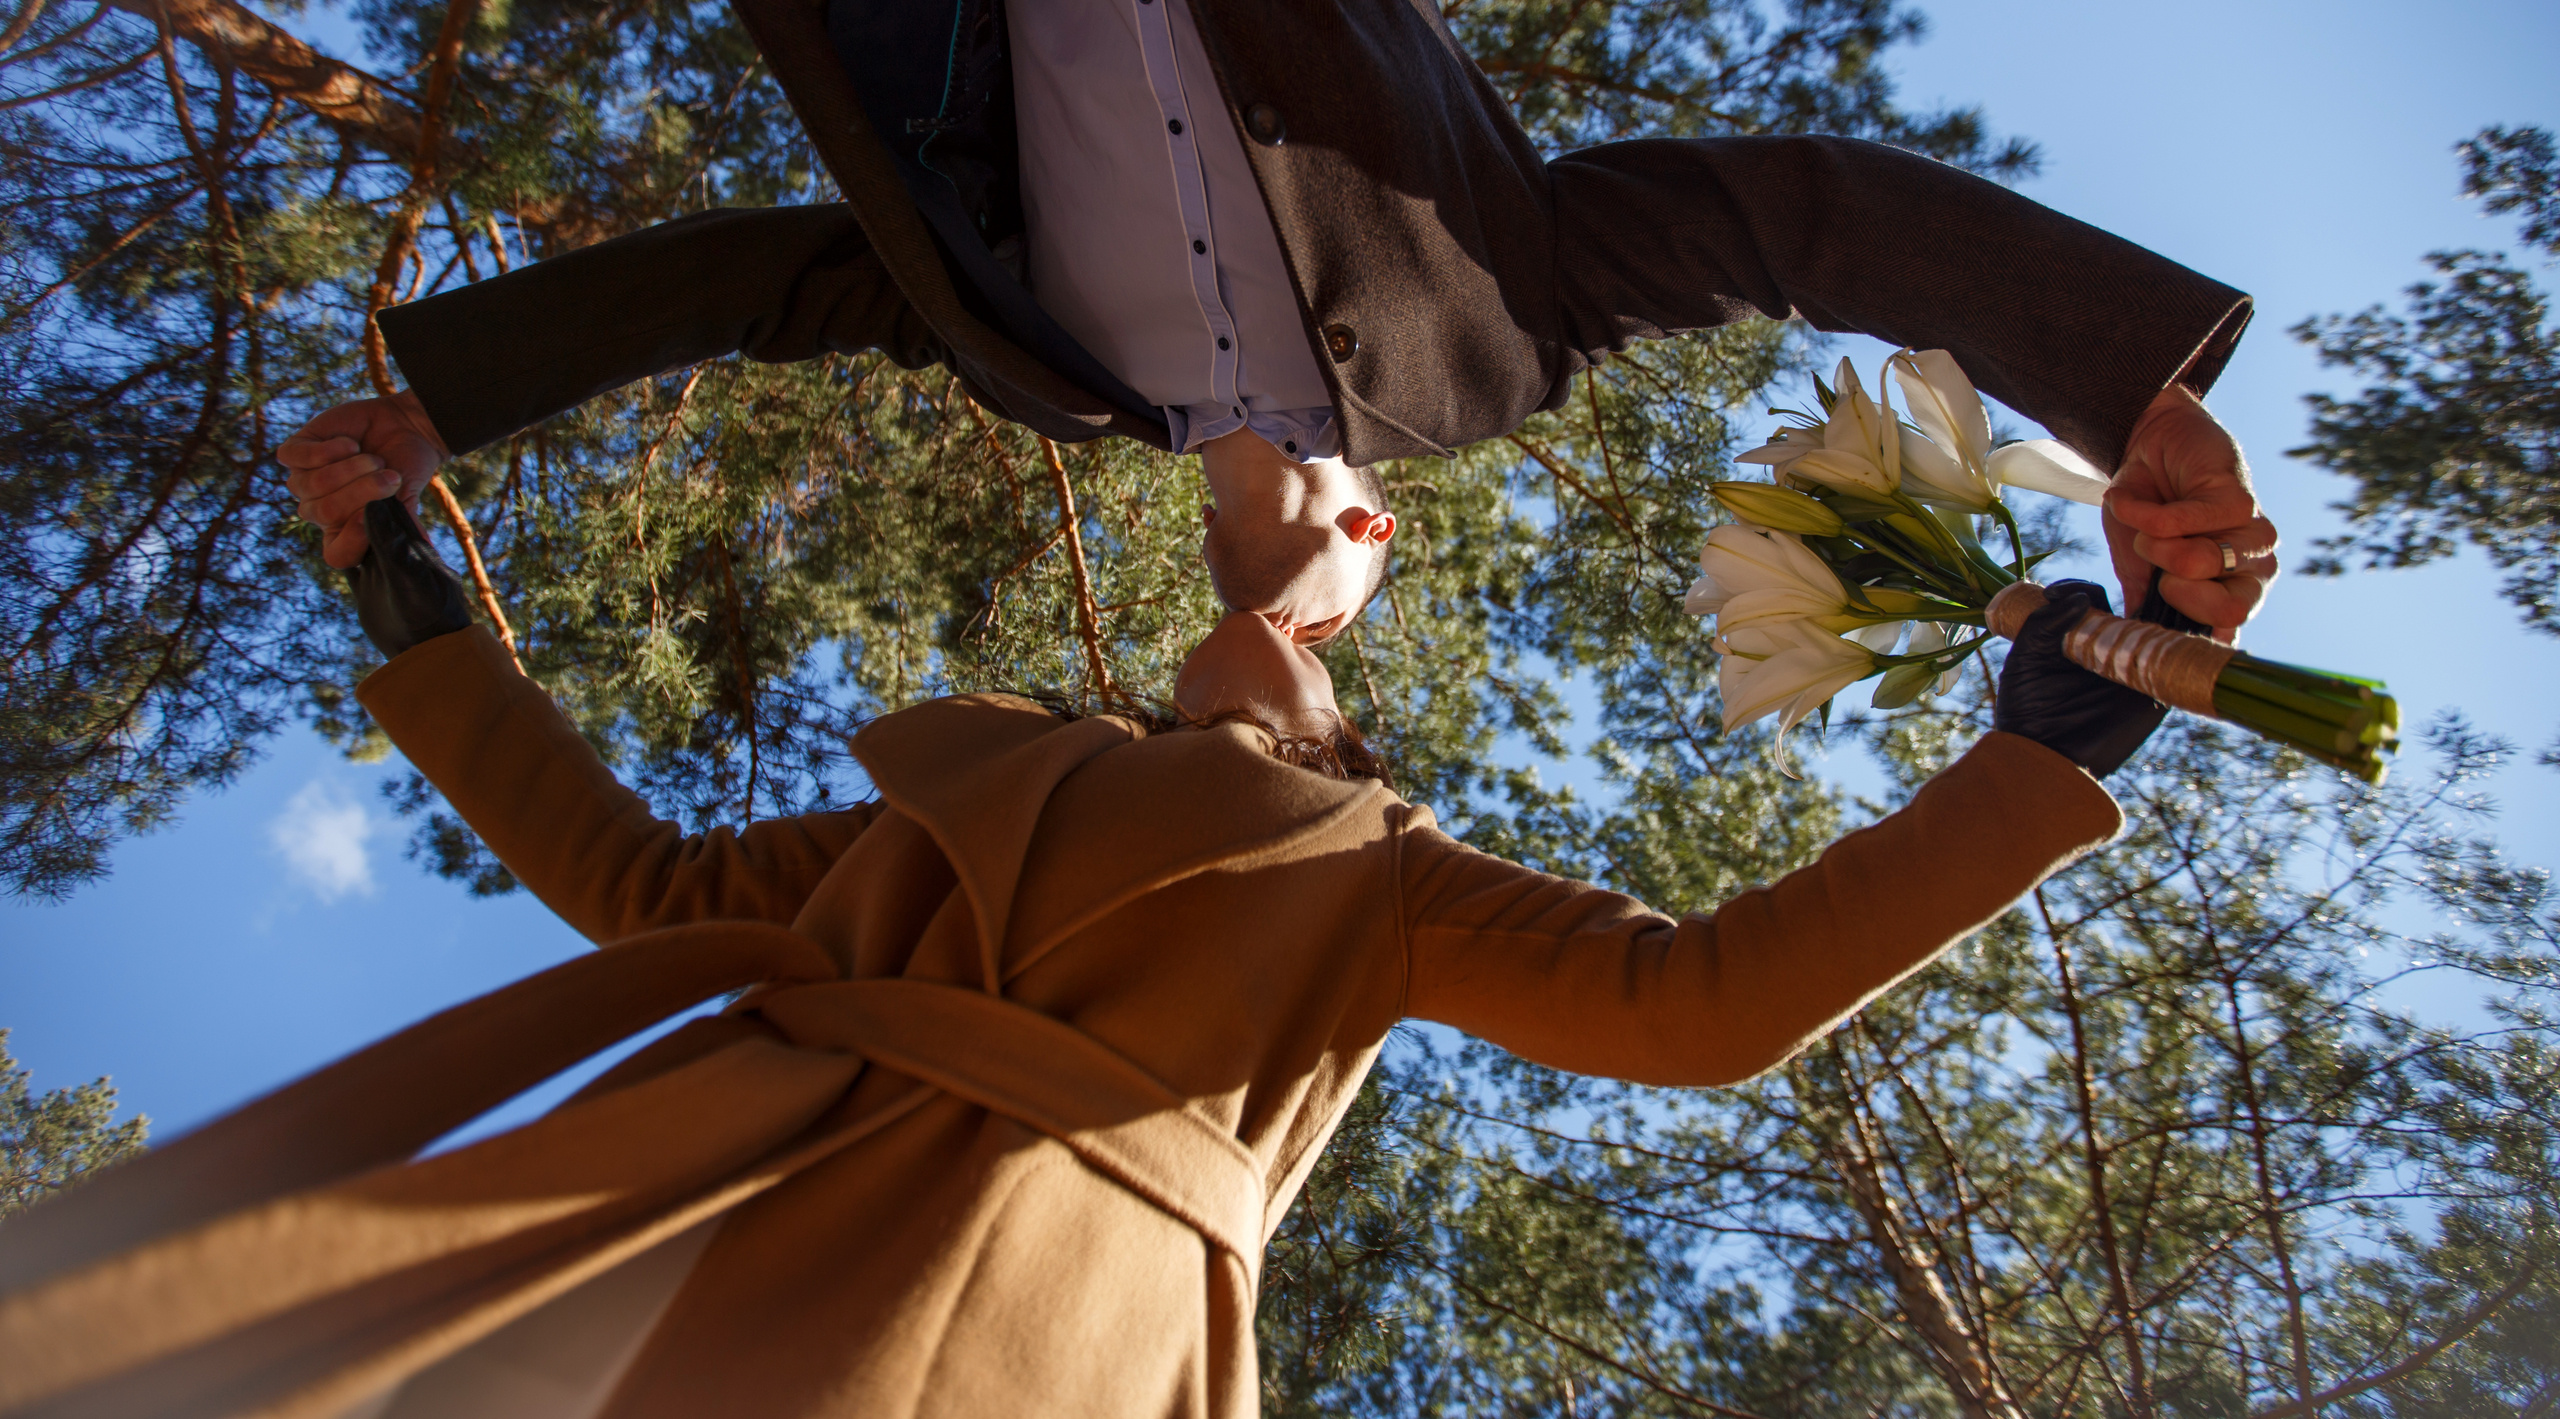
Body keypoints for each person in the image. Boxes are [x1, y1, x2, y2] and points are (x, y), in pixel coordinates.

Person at [0, 502, 2174, 1418]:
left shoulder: (1385, 861)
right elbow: (638, 879)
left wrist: (2035, 749)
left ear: (1339, 697)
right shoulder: (948, 791)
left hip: (1050, 1285)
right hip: (700, 1196)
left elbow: (1701, 998)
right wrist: (406, 593)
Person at [278, 0, 2279, 644]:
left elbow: (762, 286)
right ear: (1376, 549)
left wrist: (452, 399)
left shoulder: (1045, 367)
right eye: (1323, 640)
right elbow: (1787, 218)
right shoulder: (1499, 353)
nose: (1282, 634)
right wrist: (2124, 389)